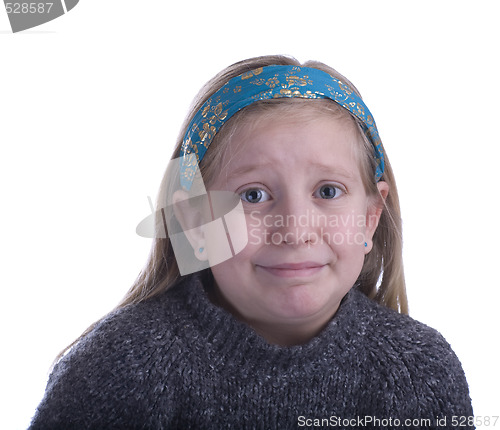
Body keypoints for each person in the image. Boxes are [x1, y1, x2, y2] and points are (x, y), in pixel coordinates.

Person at [29, 55, 474, 429]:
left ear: (370, 217)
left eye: (327, 191)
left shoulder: (417, 371)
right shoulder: (120, 369)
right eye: (254, 195)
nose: (296, 230)